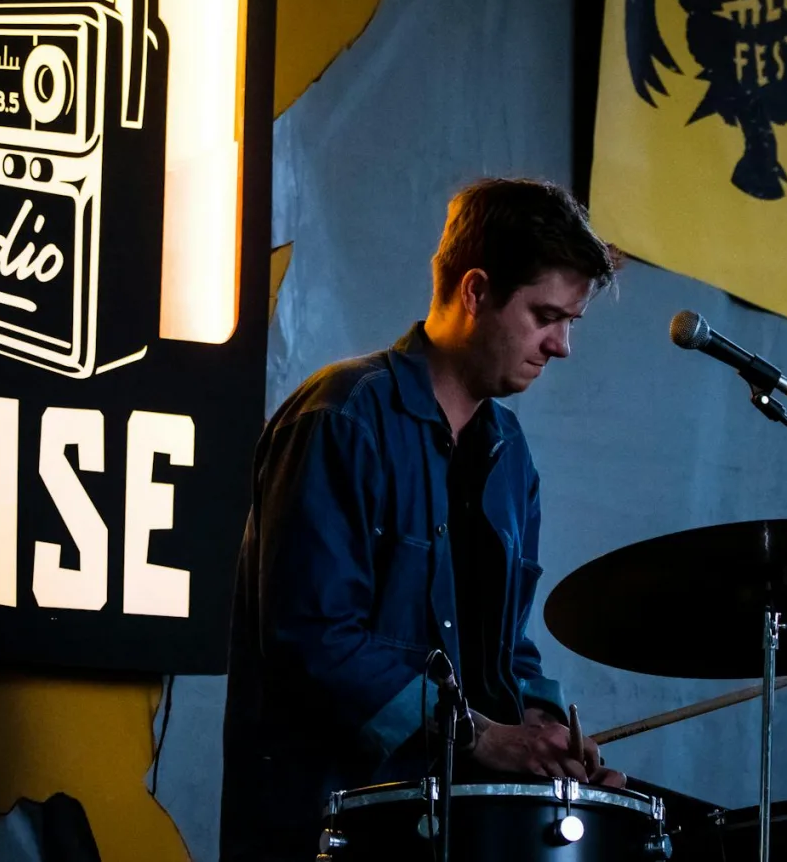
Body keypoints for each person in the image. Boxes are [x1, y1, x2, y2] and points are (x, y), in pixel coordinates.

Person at [220, 178, 625, 862]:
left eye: (570, 323)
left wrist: (544, 732)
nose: (561, 346)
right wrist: (477, 735)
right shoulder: (340, 417)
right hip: (329, 831)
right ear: (475, 292)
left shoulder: (510, 456)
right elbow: (312, 640)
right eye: (545, 316)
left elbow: (502, 653)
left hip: (452, 831)